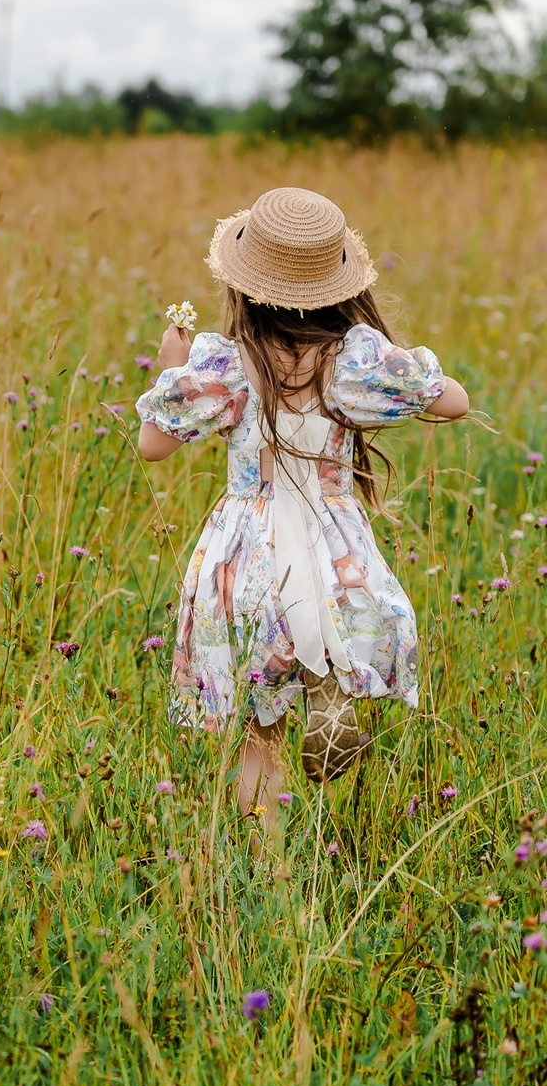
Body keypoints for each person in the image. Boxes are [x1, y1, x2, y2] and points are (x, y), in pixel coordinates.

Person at [133, 186, 470, 829]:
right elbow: (451, 400)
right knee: (328, 638)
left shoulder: (228, 365)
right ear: (339, 287)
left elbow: (152, 446)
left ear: (243, 285)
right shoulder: (351, 364)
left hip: (248, 555)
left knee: (260, 736)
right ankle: (331, 690)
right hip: (329, 552)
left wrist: (171, 372)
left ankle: (272, 871)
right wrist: (393, 365)